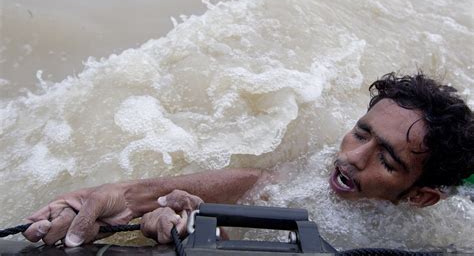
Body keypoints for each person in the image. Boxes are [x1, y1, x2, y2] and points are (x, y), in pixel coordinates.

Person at [22, 72, 473, 247]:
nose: (351, 158)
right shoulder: (323, 171)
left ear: (421, 198)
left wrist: (217, 238)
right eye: (360, 132)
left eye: (387, 161)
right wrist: (118, 199)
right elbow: (259, 181)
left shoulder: (429, 241)